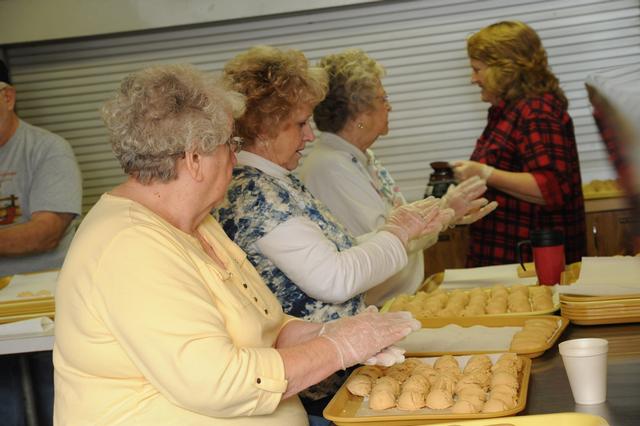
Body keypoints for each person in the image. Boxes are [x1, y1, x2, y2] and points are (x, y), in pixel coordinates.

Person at [53, 64, 421, 426]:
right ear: (196, 159)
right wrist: (337, 349)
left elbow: (266, 327)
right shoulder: (129, 247)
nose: (236, 157)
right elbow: (218, 382)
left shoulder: (199, 224)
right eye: (231, 144)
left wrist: (331, 332)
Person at [215, 45, 455, 420]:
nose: (310, 137)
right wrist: (396, 234)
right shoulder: (252, 192)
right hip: (313, 387)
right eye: (299, 124)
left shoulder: (276, 180)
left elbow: (335, 254)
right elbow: (333, 279)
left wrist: (403, 233)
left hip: (335, 376)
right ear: (264, 126)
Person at [300, 48, 497, 305]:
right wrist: (444, 212)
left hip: (399, 298)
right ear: (360, 115)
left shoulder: (358, 156)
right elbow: (389, 239)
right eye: (383, 99)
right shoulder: (330, 166)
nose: (389, 106)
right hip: (379, 306)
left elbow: (402, 220)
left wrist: (447, 210)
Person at [453, 21, 586, 267]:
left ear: (504, 70)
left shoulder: (536, 112)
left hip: (532, 263)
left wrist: (484, 173)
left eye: (477, 69)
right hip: (509, 257)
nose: (473, 79)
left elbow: (551, 189)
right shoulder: (506, 111)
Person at [0, 59, 82, 426]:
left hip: (49, 303)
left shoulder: (48, 149)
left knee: (58, 404)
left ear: (7, 98)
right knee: (8, 409)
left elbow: (46, 232)